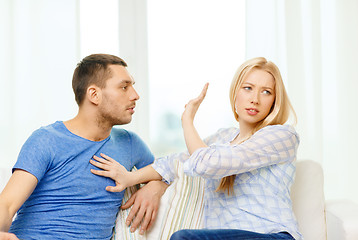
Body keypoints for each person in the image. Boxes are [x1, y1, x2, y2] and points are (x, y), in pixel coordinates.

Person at [90, 57, 302, 240]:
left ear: (275, 100)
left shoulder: (281, 136)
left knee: (184, 238)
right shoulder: (223, 138)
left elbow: (207, 163)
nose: (255, 99)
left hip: (273, 236)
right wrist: (129, 178)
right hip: (224, 235)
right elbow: (176, 162)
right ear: (235, 93)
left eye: (266, 92)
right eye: (248, 88)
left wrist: (187, 120)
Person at [0, 54, 168, 240]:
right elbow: (7, 204)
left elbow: (166, 170)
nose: (135, 95)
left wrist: (156, 186)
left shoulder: (129, 143)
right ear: (94, 94)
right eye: (124, 87)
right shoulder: (47, 139)